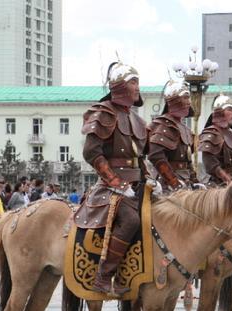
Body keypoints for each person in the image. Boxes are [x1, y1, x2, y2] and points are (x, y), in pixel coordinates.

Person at [74, 61, 147, 295]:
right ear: (121, 86)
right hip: (111, 186)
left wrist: (151, 178)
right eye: (133, 82)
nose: (137, 87)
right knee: (132, 221)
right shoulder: (104, 112)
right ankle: (104, 276)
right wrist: (116, 182)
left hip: (137, 184)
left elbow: (141, 157)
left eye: (137, 82)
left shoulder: (136, 119)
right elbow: (91, 153)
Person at [147, 79, 198, 192]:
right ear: (174, 100)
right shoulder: (163, 124)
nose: (189, 102)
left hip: (185, 183)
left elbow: (188, 162)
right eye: (185, 97)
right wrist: (173, 182)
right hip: (166, 185)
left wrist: (195, 182)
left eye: (188, 97)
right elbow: (155, 156)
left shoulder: (185, 129)